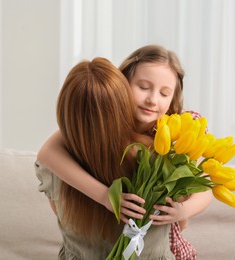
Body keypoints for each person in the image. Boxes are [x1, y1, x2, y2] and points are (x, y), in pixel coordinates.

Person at [37, 45, 212, 259]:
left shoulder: (174, 134)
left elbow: (204, 187)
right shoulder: (100, 126)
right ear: (121, 84)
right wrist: (104, 196)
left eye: (164, 93)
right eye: (143, 87)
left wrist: (184, 211)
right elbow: (47, 152)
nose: (152, 99)